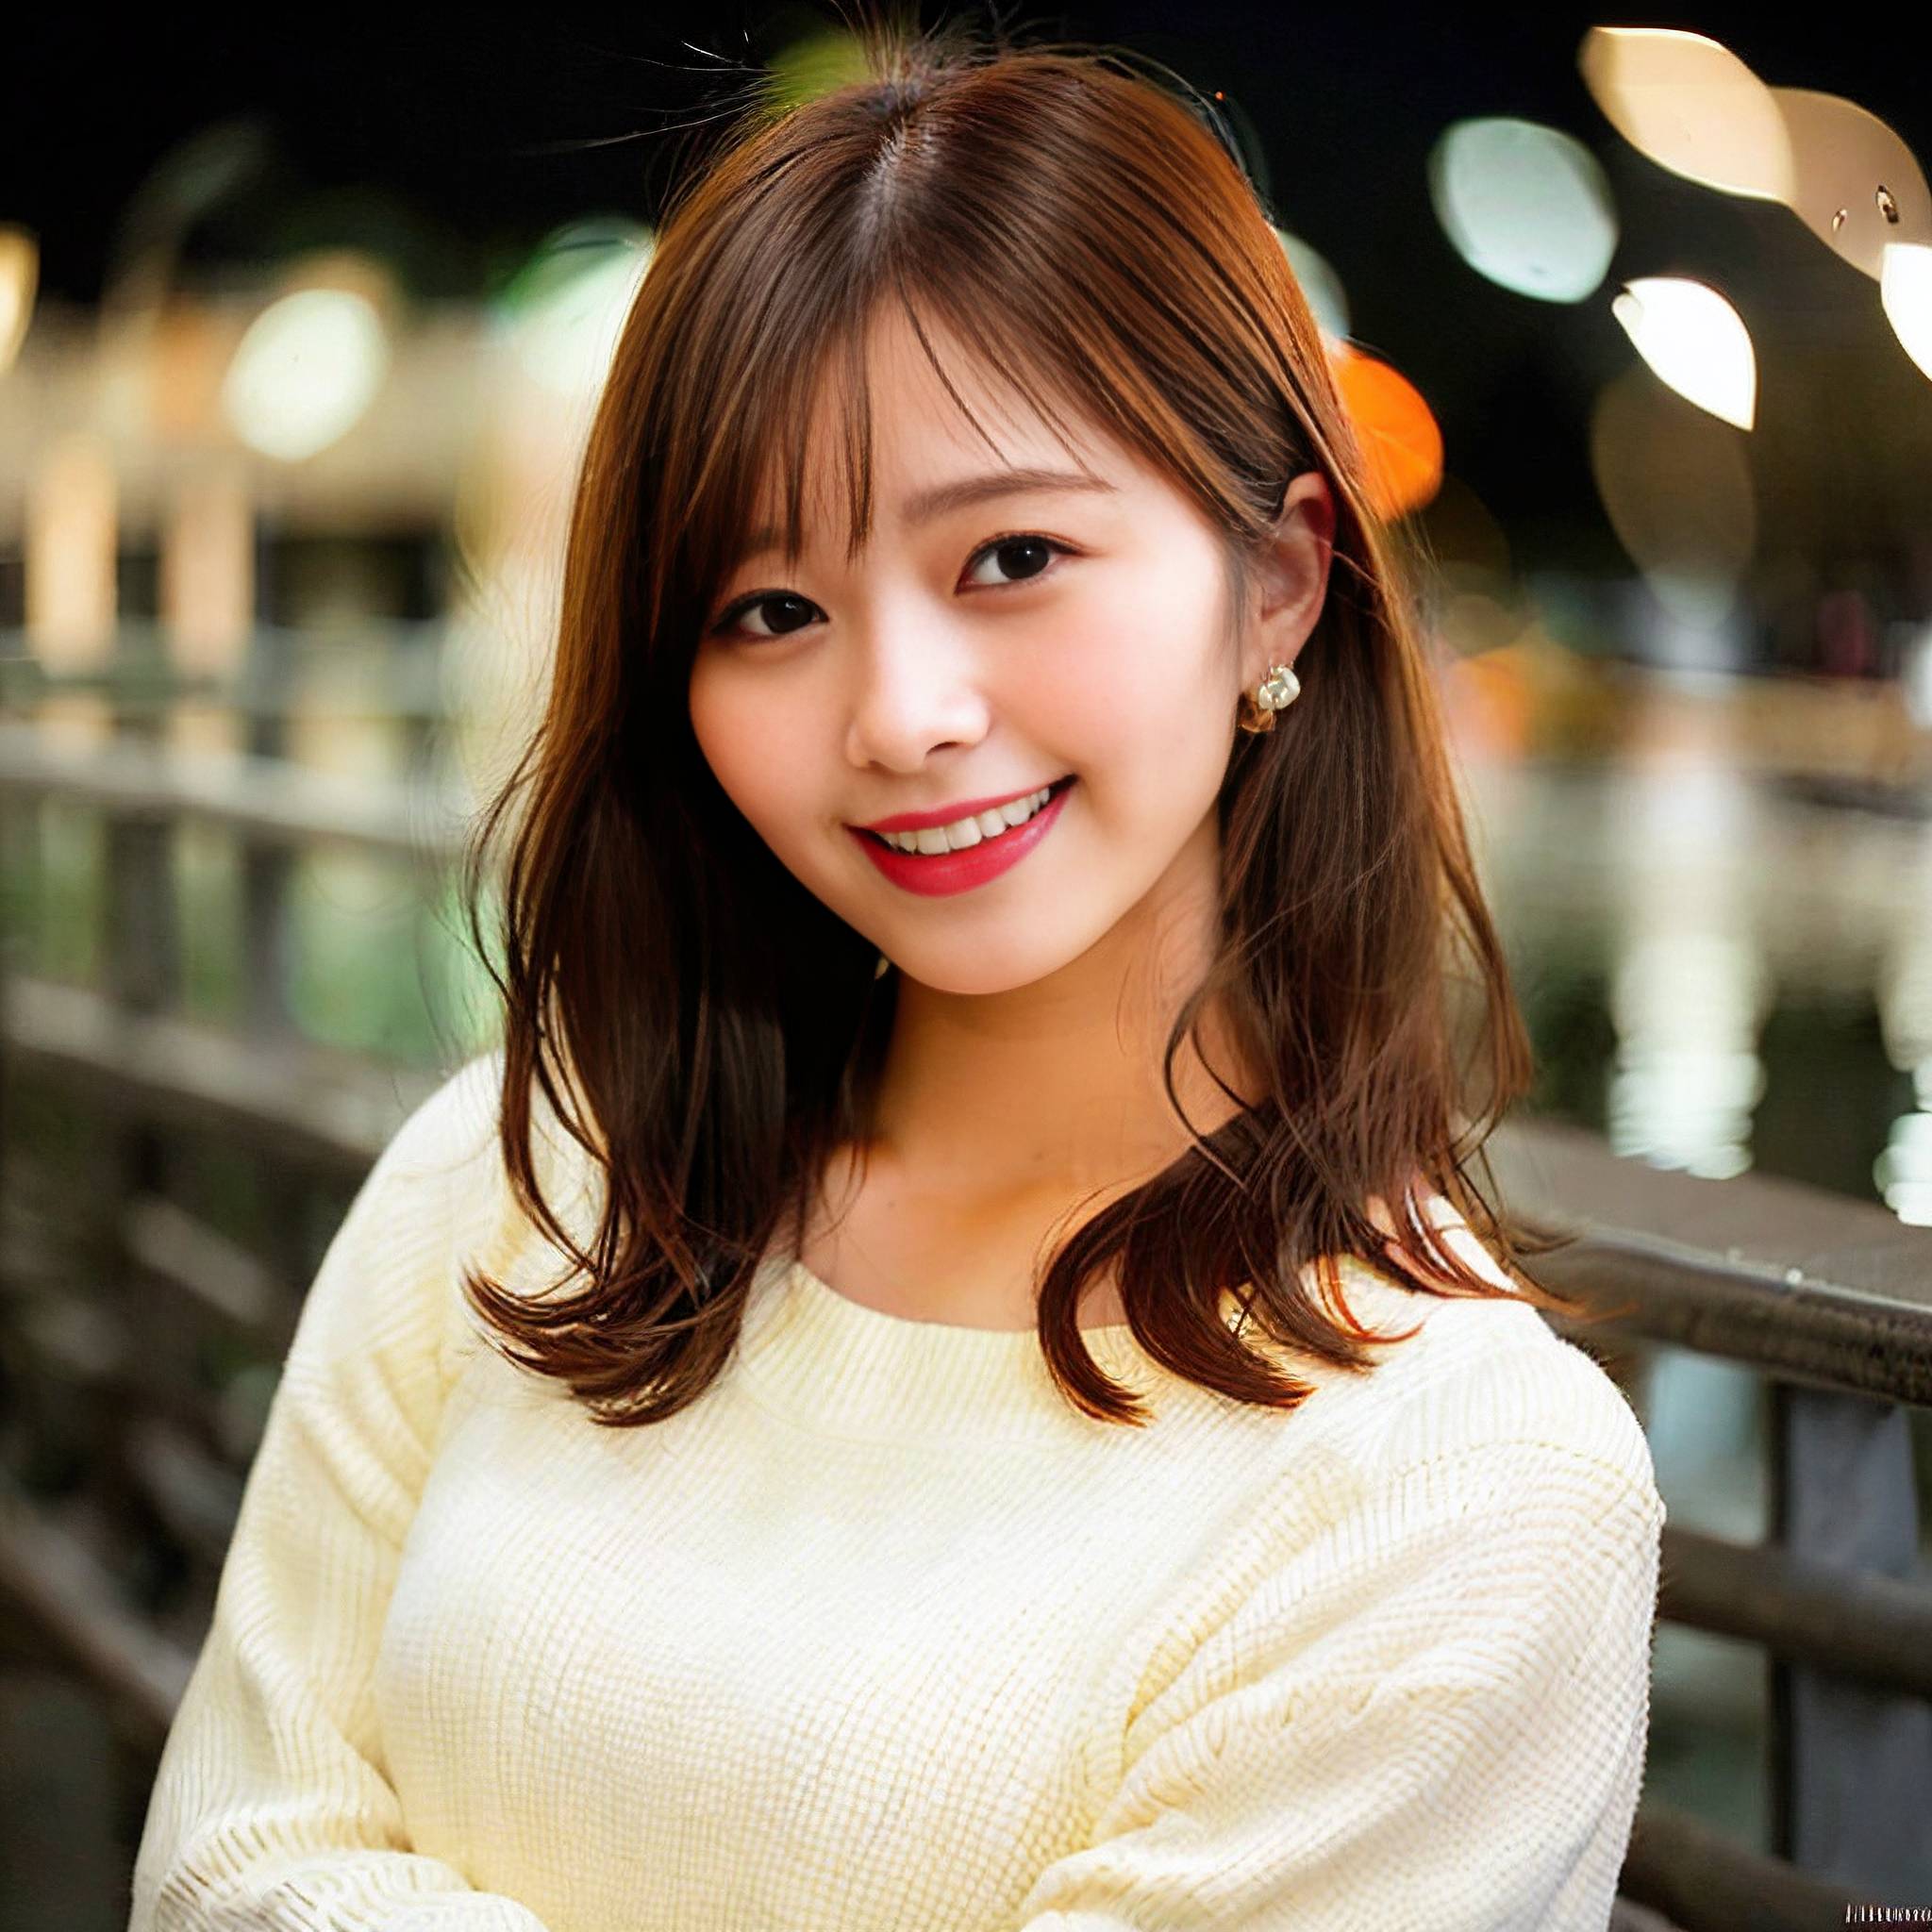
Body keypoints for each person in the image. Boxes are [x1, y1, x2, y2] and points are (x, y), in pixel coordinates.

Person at [128, 13, 1665, 1931]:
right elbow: (218, 1866)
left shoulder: (1453, 1484)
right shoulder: (522, 1184)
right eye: (769, 609)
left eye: (1010, 556)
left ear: (1277, 581)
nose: (901, 714)